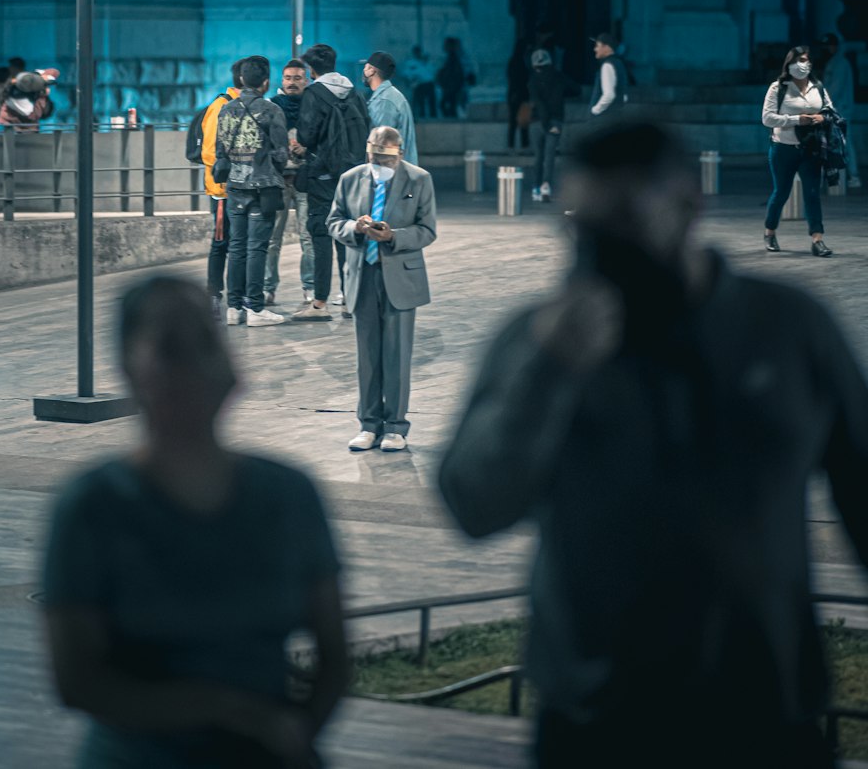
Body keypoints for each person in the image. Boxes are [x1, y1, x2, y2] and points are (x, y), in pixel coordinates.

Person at [438, 119, 868, 769]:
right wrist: (547, 371)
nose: (597, 245)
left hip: (764, 713)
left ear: (690, 203)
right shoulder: (538, 338)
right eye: (579, 225)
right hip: (593, 719)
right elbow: (474, 504)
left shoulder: (785, 327)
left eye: (623, 221)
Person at [43, 274, 347, 769]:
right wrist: (238, 716)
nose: (194, 365)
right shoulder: (92, 508)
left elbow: (336, 659)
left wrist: (290, 741)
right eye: (171, 347)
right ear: (127, 367)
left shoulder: (290, 496)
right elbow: (77, 682)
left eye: (205, 341)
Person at [327, 126, 437, 453]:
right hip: (362, 275)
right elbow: (333, 221)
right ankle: (368, 425)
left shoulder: (419, 180)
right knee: (368, 356)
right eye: (374, 156)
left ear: (400, 153)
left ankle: (396, 427)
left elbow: (427, 230)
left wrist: (393, 236)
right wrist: (355, 228)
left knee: (396, 354)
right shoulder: (350, 179)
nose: (379, 162)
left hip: (400, 277)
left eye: (386, 157)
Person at [292, 43, 370, 321]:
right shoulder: (355, 93)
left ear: (311, 70)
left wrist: (300, 145)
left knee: (322, 234)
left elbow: (307, 135)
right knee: (348, 235)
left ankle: (319, 303)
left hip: (323, 174)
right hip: (353, 175)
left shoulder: (314, 93)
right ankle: (350, 298)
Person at [215, 56, 288, 327]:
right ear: (266, 82)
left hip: (234, 186)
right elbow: (281, 153)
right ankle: (255, 308)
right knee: (257, 248)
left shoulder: (226, 110)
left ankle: (233, 308)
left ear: (242, 80)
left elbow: (219, 148)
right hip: (262, 187)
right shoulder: (271, 110)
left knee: (236, 248)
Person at [762, 45, 834, 257]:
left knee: (812, 193)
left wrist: (823, 117)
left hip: (810, 148)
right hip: (783, 148)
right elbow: (767, 118)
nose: (805, 64)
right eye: (800, 60)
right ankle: (770, 232)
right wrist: (796, 120)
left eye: (807, 60)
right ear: (790, 63)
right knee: (781, 192)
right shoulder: (778, 88)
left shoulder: (817, 86)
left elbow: (830, 110)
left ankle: (817, 239)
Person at [264, 59, 315, 307]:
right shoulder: (273, 107)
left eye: (297, 78)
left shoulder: (313, 106)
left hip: (305, 178)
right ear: (281, 81)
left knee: (308, 237)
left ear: (306, 80)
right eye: (288, 78)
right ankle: (268, 288)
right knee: (273, 238)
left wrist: (307, 149)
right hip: (279, 178)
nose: (292, 83)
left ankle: (310, 287)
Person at [198, 60, 244, 315]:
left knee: (235, 244)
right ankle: (214, 296)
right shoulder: (221, 106)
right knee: (221, 243)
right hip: (222, 190)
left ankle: (236, 297)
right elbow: (209, 152)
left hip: (234, 189)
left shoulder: (238, 105)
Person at [362, 50, 418, 165]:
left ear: (372, 70)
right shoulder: (390, 95)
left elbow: (381, 144)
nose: (363, 71)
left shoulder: (384, 101)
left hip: (390, 171)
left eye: (366, 67)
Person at [820, 33, 860, 188]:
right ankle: (839, 175)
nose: (827, 48)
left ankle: (853, 175)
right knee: (836, 143)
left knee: (845, 143)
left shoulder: (841, 64)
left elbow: (834, 90)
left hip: (841, 110)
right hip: (835, 110)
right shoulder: (833, 62)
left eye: (829, 45)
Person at [528, 49, 565, 202]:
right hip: (555, 121)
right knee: (549, 157)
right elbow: (576, 89)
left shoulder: (532, 81)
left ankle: (536, 188)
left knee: (538, 157)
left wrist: (545, 122)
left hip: (537, 122)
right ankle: (546, 185)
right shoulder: (558, 78)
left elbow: (539, 103)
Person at [589, 32, 627, 117]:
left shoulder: (607, 65)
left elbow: (609, 95)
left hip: (603, 119)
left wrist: (595, 110)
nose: (595, 49)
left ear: (606, 48)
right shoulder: (618, 63)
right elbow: (624, 96)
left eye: (597, 46)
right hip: (615, 116)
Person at [506, 38, 531, 153]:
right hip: (520, 95)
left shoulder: (514, 61)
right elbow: (519, 80)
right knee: (521, 121)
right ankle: (522, 145)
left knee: (515, 121)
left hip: (515, 95)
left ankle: (512, 146)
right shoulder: (520, 62)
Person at [402, 45, 437, 119]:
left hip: (429, 83)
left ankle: (433, 117)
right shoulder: (411, 63)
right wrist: (410, 82)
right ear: (414, 53)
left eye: (419, 52)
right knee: (420, 102)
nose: (418, 53)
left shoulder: (426, 61)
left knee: (431, 102)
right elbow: (407, 74)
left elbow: (433, 71)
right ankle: (422, 117)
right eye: (416, 52)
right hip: (419, 84)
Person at [436, 37, 468, 118]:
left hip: (452, 87)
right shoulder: (452, 58)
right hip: (451, 87)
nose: (444, 47)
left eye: (446, 45)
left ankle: (451, 119)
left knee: (447, 105)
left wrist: (446, 83)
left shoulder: (453, 58)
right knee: (448, 105)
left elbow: (455, 74)